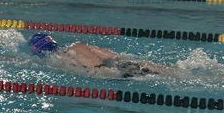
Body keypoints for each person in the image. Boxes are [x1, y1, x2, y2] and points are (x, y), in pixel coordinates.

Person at [28, 32, 167, 78]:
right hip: (122, 66)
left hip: (116, 72)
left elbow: (100, 69)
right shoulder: (76, 48)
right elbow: (114, 56)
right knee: (165, 72)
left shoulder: (63, 60)